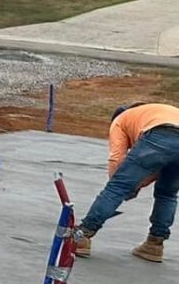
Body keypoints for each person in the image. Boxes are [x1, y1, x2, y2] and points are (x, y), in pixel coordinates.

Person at [73, 103, 179, 262]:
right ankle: (154, 245)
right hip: (167, 133)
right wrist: (137, 184)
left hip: (161, 133)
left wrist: (123, 187)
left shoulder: (120, 120)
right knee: (167, 194)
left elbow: (117, 158)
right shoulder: (150, 113)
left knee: (116, 187)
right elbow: (159, 166)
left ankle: (82, 235)